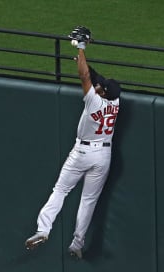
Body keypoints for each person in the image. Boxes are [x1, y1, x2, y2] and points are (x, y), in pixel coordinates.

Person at [25, 26, 121, 259]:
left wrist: (81, 46)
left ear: (102, 92)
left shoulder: (93, 102)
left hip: (82, 153)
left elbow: (85, 77)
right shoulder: (116, 103)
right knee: (88, 201)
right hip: (103, 157)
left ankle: (43, 229)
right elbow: (94, 76)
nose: (98, 85)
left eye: (101, 86)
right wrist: (80, 57)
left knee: (60, 190)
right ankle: (77, 244)